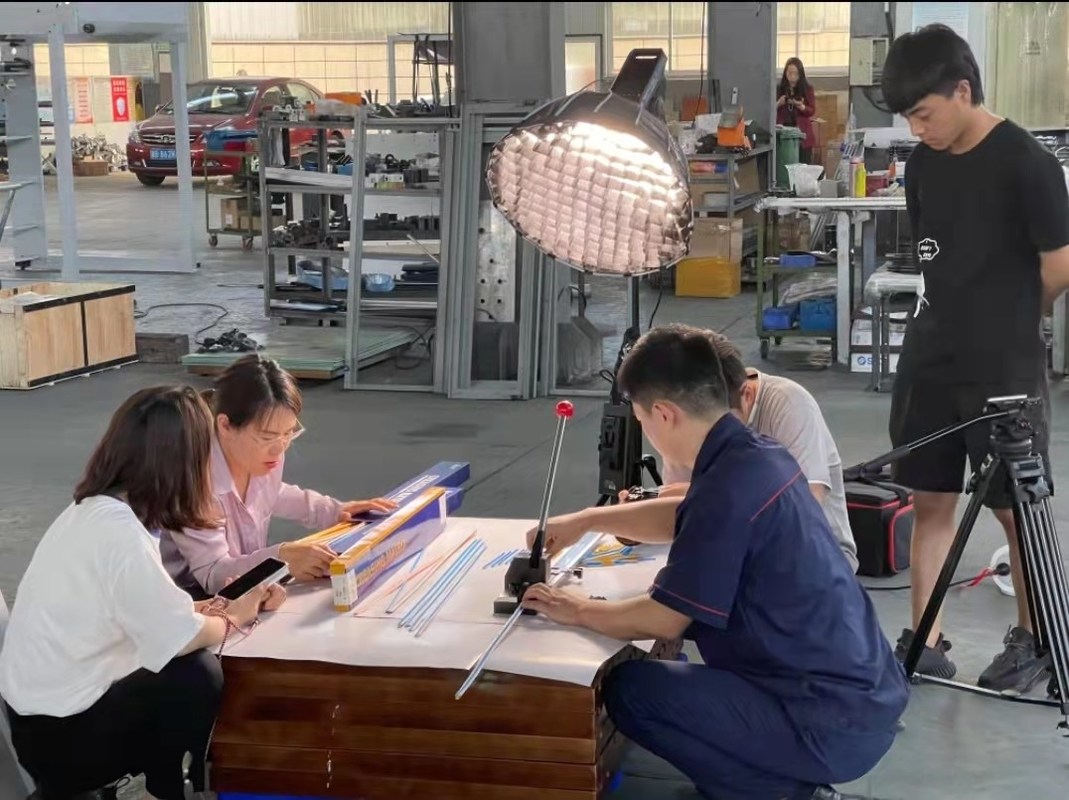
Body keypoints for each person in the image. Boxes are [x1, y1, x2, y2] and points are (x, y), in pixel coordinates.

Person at [521, 325, 908, 800]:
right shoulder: (757, 455)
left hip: (828, 720)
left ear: (664, 414)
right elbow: (683, 514)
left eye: (641, 419)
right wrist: (585, 521)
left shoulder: (727, 486)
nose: (646, 430)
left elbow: (663, 619)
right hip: (862, 695)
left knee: (633, 692)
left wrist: (575, 608)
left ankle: (783, 794)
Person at [879, 24, 1069, 692]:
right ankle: (925, 639)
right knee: (928, 495)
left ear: (962, 91)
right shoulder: (922, 165)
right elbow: (935, 258)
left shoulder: (1027, 164)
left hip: (1003, 368)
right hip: (931, 354)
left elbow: (1058, 266)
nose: (917, 128)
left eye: (924, 113)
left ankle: (1034, 639)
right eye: (908, 118)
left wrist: (1006, 320)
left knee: (1015, 508)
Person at [0, 386, 285, 800]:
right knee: (196, 675)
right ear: (184, 463)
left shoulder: (93, 510)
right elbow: (180, 638)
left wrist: (206, 608)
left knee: (189, 657)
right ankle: (164, 788)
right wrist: (237, 615)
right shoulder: (120, 532)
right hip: (61, 739)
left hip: (38, 722)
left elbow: (138, 610)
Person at [530, 331, 859, 573]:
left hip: (810, 560)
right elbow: (682, 516)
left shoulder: (786, 406)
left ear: (745, 394)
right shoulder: (691, 420)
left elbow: (798, 511)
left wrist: (578, 608)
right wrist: (623, 520)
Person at [160, 355, 398, 598]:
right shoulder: (190, 481)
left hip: (248, 589)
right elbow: (213, 575)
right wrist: (281, 559)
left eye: (288, 433)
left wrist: (334, 511)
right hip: (188, 600)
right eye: (267, 436)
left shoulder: (265, 451)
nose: (279, 448)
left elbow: (273, 492)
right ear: (225, 426)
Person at [777, 57, 817, 163]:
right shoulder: (779, 89)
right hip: (784, 133)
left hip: (802, 132)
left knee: (804, 164)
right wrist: (779, 103)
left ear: (800, 74)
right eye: (789, 73)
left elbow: (812, 110)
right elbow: (770, 110)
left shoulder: (807, 89)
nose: (792, 76)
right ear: (785, 73)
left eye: (795, 73)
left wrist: (801, 106)